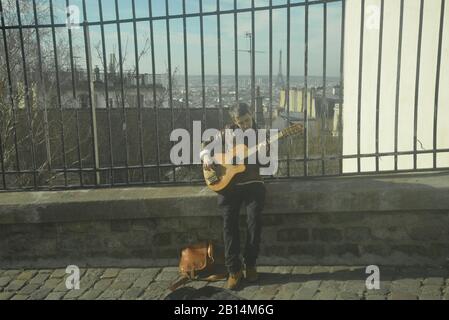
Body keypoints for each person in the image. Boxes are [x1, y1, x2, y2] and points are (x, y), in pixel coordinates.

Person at [200, 102, 269, 290]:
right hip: (228, 185)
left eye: (247, 120)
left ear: (252, 114)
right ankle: (234, 270)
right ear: (234, 120)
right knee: (229, 224)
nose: (245, 125)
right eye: (240, 122)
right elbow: (206, 146)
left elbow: (266, 164)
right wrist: (206, 157)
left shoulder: (262, 135)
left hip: (253, 183)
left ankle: (251, 264)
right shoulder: (226, 132)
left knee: (254, 222)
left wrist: (263, 151)